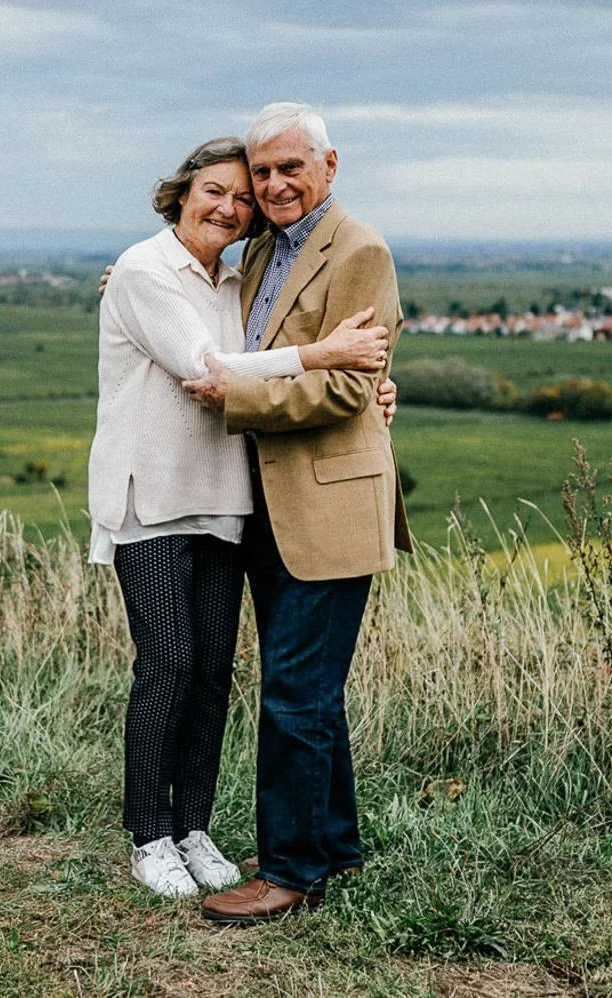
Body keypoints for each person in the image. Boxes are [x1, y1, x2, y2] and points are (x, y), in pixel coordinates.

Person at [88, 136, 396, 898]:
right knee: (169, 666)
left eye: (242, 197)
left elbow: (272, 353)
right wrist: (324, 355)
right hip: (153, 499)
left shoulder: (233, 279)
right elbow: (212, 370)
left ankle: (192, 827)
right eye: (215, 191)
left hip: (225, 500)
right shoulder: (145, 269)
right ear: (182, 193)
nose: (229, 206)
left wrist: (373, 389)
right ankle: (149, 836)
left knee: (214, 674)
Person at [179, 102, 411, 925]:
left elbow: (348, 388)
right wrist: (132, 282)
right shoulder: (261, 247)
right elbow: (211, 307)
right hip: (268, 504)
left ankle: (291, 873)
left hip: (328, 506)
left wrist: (237, 398)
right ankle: (331, 844)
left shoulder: (360, 250)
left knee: (294, 693)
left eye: (291, 168)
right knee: (310, 691)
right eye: (263, 171)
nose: (274, 185)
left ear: (329, 165)